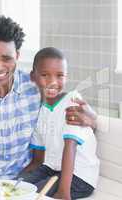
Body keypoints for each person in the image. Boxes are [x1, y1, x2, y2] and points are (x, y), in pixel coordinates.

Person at [0, 14, 97, 179]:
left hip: (24, 182)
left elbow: (68, 112)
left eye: (7, 58)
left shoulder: (37, 87)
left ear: (18, 56)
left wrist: (91, 119)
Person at [20, 47, 99, 200]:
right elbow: (38, 159)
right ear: (33, 77)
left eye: (60, 75)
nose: (53, 82)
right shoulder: (40, 110)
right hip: (52, 168)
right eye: (45, 75)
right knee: (16, 186)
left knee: (31, 194)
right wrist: (20, 178)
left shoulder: (72, 101)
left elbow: (70, 146)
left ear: (66, 77)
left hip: (79, 176)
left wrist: (63, 193)